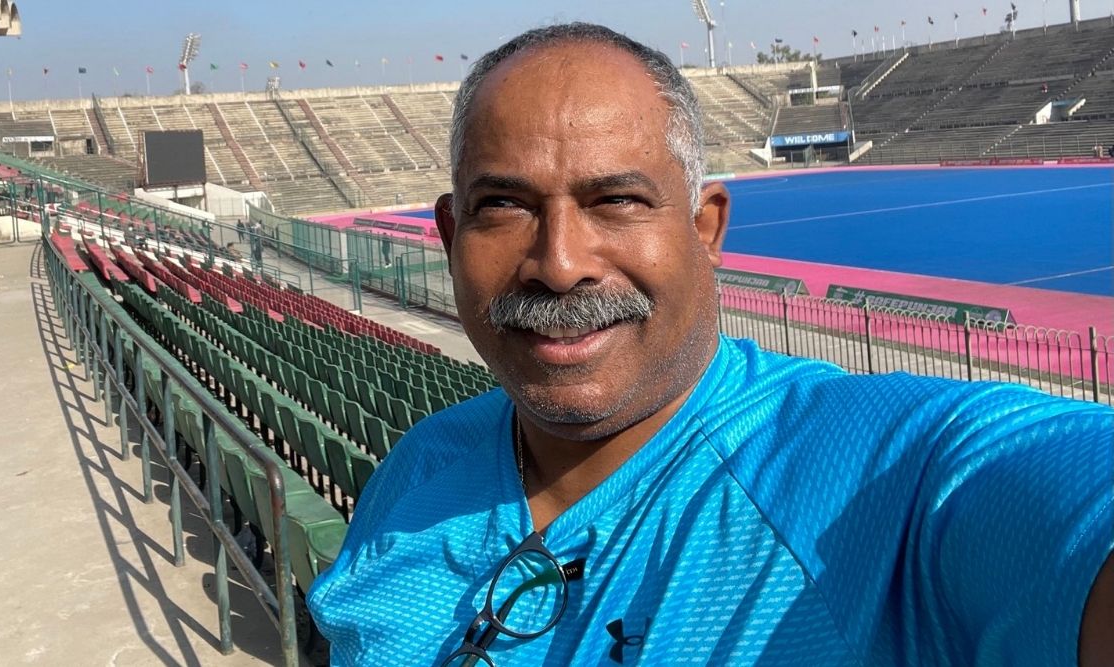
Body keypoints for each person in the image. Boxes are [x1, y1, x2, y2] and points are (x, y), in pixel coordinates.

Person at [307, 23, 1113, 666]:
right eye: (504, 206)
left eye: (617, 199)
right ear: (451, 236)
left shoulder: (878, 472)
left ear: (706, 229)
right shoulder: (414, 472)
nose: (559, 263)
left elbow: (1056, 491)